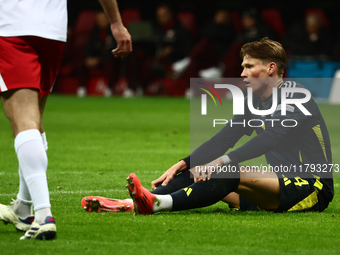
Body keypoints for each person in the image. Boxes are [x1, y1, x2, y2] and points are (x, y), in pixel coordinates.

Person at [82, 38, 333, 215]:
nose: (242, 73)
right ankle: (139, 200)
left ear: (270, 68)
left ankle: (158, 203)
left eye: (248, 66)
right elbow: (225, 138)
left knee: (225, 170)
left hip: (311, 187)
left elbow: (271, 138)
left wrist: (222, 161)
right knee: (201, 170)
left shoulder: (296, 96)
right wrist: (182, 163)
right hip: (280, 185)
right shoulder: (256, 101)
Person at [0, 0, 132, 240]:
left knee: (23, 120)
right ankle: (23, 208)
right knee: (35, 119)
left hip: (12, 26)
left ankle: (43, 216)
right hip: (52, 31)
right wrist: (115, 22)